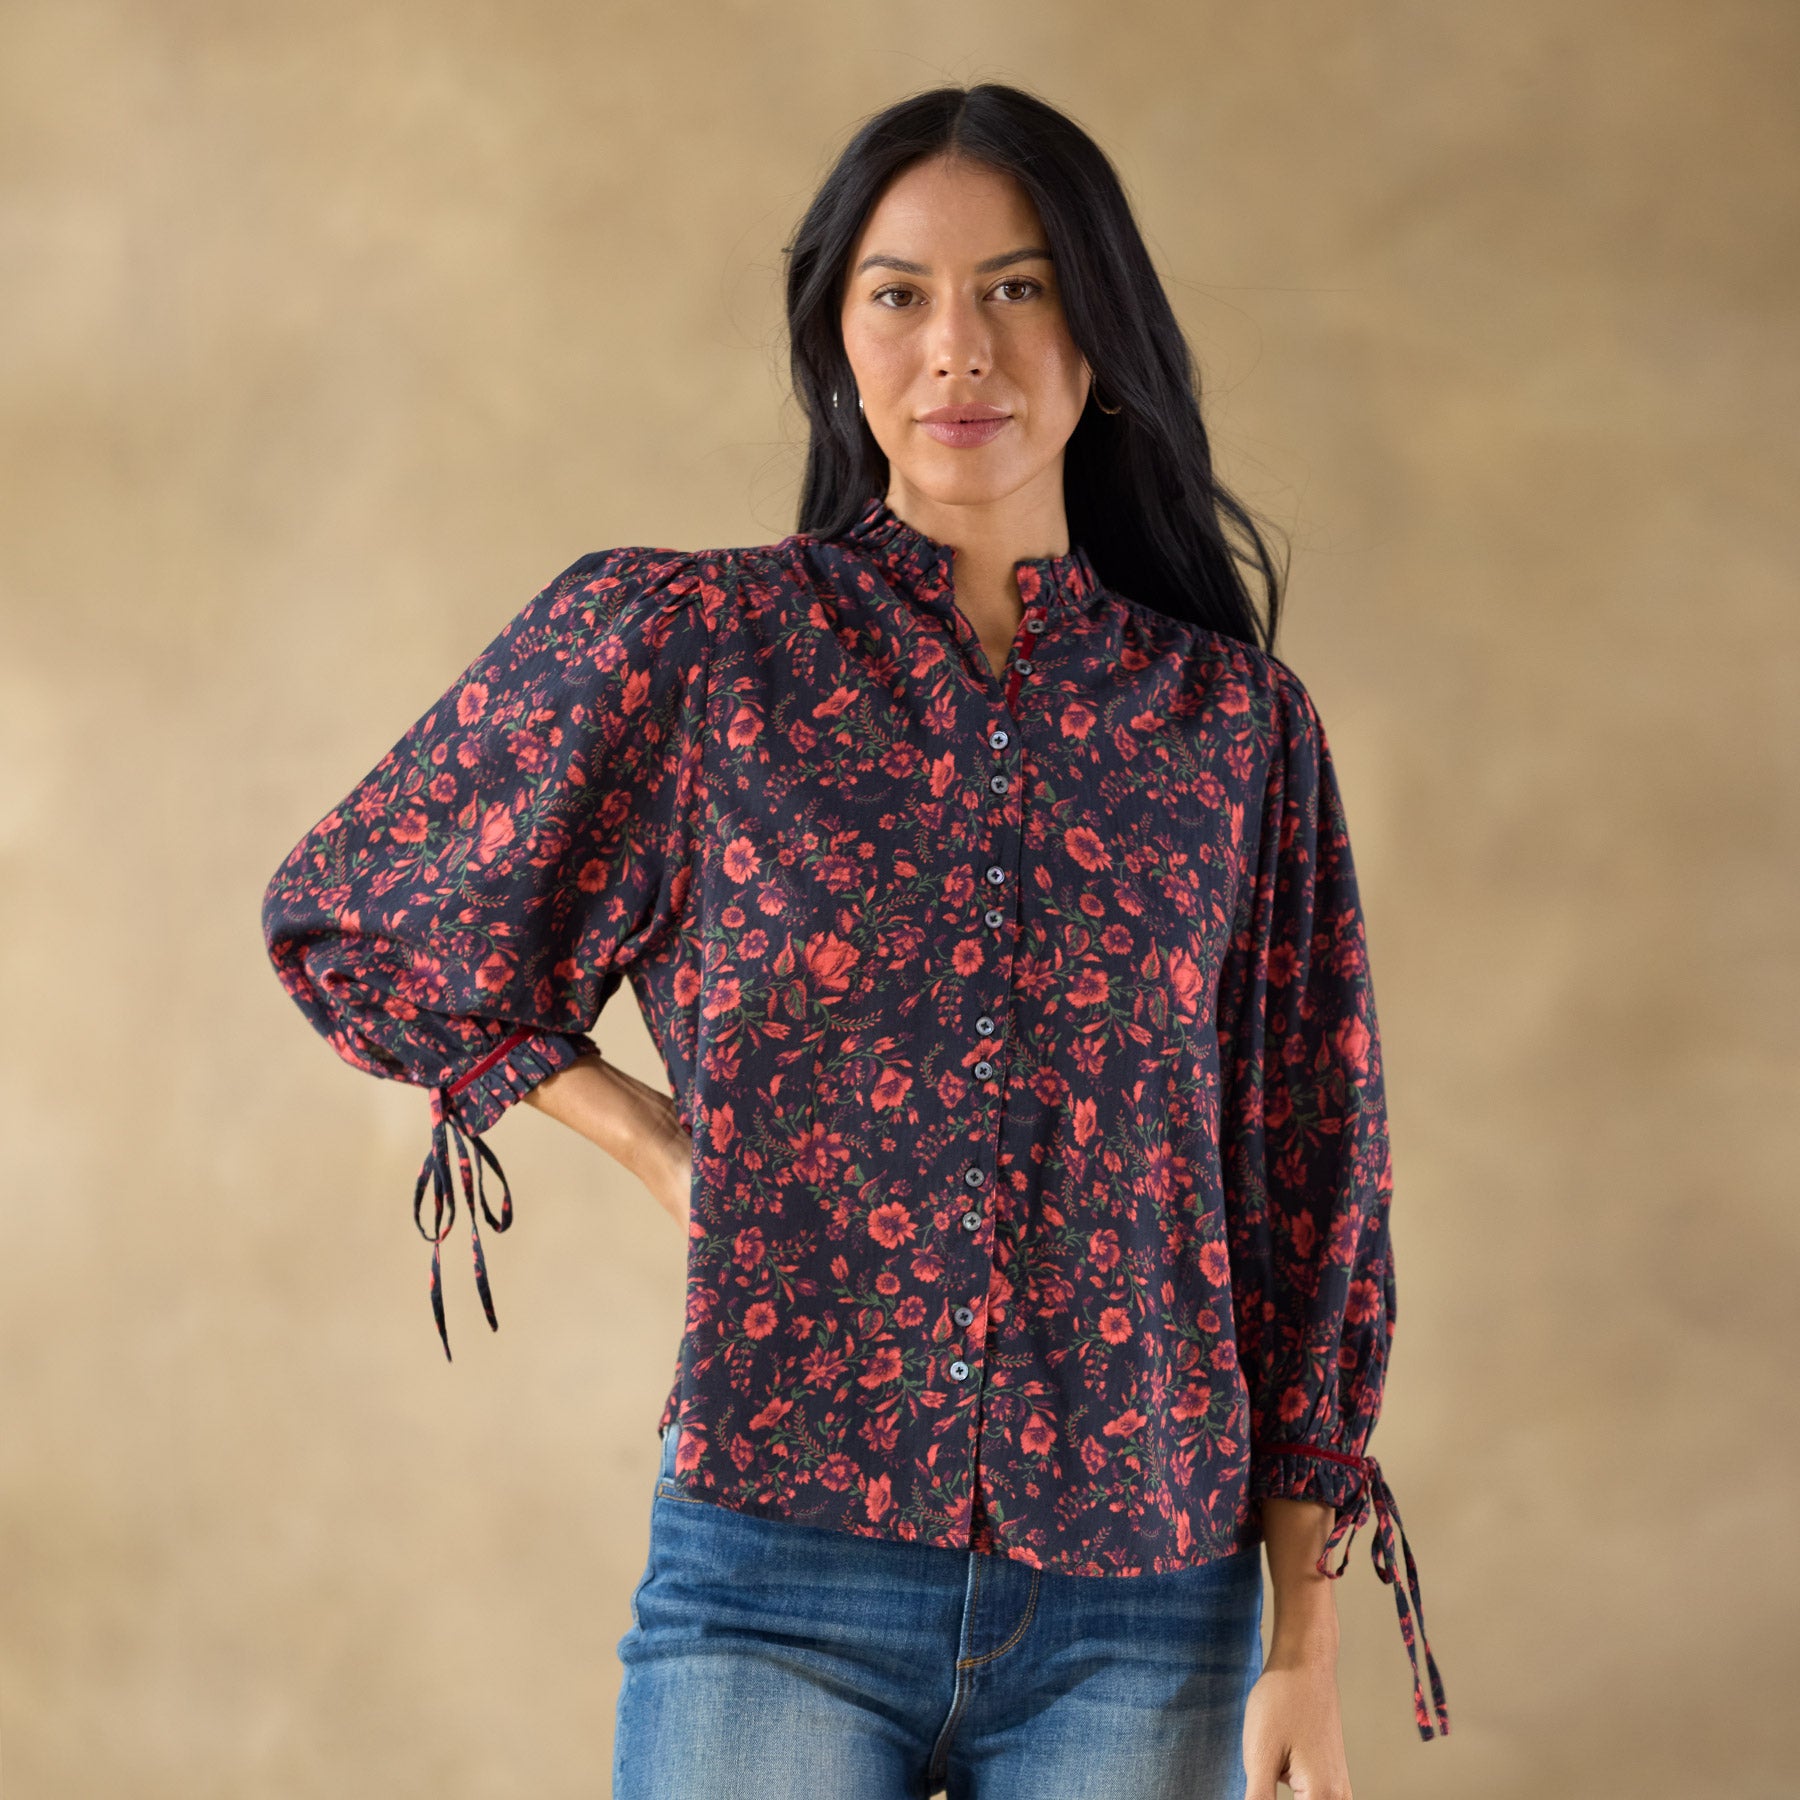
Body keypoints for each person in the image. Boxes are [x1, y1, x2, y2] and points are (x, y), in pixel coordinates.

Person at [261, 81, 1449, 1800]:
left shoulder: (1233, 732)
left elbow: (1309, 1188)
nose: (959, 346)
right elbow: (360, 912)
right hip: (777, 1575)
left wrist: (1304, 1650)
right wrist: (651, 1138)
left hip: (1148, 1607)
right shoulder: (704, 653)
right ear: (837, 340)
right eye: (902, 294)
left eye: (1019, 288)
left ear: (1103, 337)